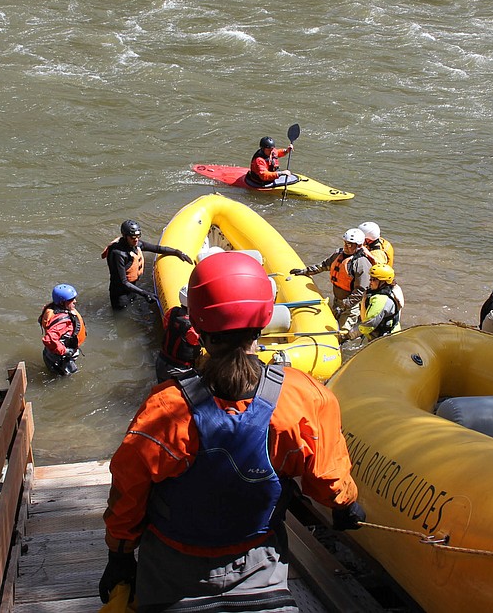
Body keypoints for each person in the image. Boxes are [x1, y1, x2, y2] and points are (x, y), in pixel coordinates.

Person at [100, 251, 364, 612]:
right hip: (259, 560)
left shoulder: (166, 408)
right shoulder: (305, 396)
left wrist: (119, 554)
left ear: (197, 324)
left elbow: (128, 489)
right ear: (266, 318)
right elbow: (327, 478)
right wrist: (346, 504)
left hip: (171, 568)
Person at [290, 228, 374, 342]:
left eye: (350, 245)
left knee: (342, 334)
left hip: (351, 305)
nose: (346, 246)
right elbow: (324, 265)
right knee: (332, 324)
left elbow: (360, 290)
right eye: (345, 243)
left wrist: (346, 304)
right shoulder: (338, 254)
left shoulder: (361, 264)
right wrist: (305, 271)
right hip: (338, 300)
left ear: (359, 246)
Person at [102, 220, 195, 311]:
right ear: (125, 236)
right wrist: (145, 293)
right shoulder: (118, 254)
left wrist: (176, 252)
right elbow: (123, 282)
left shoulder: (135, 244)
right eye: (133, 237)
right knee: (122, 314)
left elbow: (156, 248)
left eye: (138, 236)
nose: (136, 240)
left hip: (132, 288)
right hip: (120, 294)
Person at [39, 283, 86, 376]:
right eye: (71, 300)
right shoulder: (63, 322)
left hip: (52, 353)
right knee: (64, 377)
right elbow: (48, 339)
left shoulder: (53, 308)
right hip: (60, 357)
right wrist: (65, 351)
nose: (75, 301)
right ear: (62, 303)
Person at [357, 263, 404, 341]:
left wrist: (350, 334)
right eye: (370, 278)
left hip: (385, 339)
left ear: (383, 282)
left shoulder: (380, 300)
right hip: (392, 333)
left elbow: (368, 325)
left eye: (374, 279)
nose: (370, 281)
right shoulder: (395, 289)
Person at [156, 304, 202, 382]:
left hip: (161, 361)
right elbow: (201, 342)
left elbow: (165, 325)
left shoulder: (172, 312)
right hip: (178, 370)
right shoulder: (192, 327)